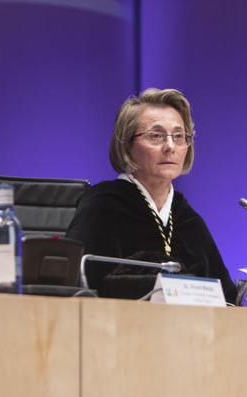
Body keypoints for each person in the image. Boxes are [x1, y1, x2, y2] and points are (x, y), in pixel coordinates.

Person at [66, 88, 237, 302]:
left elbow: (226, 296)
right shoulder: (103, 205)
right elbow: (81, 287)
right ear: (127, 145)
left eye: (179, 136)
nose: (170, 146)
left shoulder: (186, 217)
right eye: (156, 136)